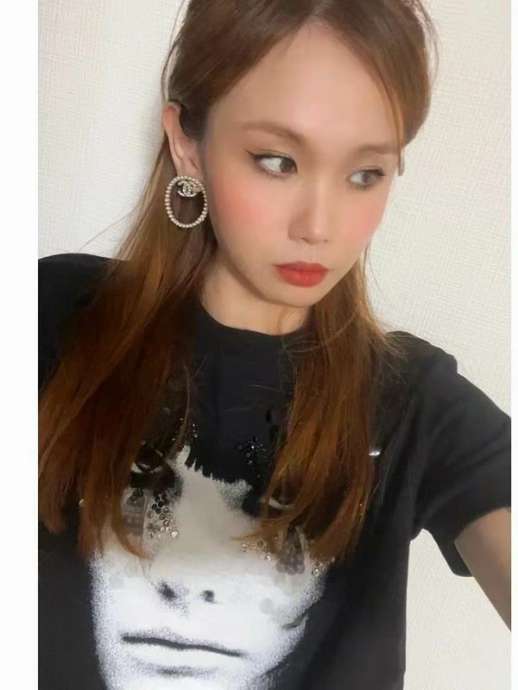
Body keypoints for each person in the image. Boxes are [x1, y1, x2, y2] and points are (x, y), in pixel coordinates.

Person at [39, 2, 510, 689]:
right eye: (277, 161)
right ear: (188, 144)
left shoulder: (415, 407)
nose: (320, 226)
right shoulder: (53, 320)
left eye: (365, 174)